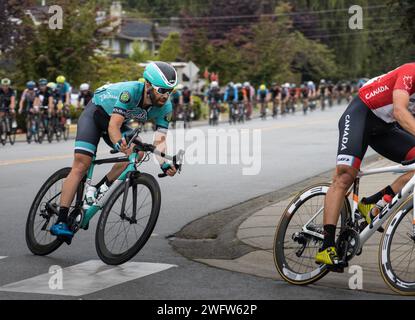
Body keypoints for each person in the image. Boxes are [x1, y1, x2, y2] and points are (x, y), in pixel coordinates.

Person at [50, 61, 179, 241]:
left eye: (170, 91)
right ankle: (61, 220)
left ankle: (97, 189)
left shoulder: (166, 108)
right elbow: (114, 125)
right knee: (81, 164)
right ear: (148, 84)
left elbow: (160, 140)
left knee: (138, 153)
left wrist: (164, 164)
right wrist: (119, 143)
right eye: (162, 90)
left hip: (116, 121)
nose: (166, 96)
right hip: (96, 114)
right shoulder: (130, 92)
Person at [315, 62, 415, 267]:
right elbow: (399, 111)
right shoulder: (410, 72)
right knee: (345, 177)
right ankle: (326, 246)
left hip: (386, 129)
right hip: (361, 114)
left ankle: (374, 201)